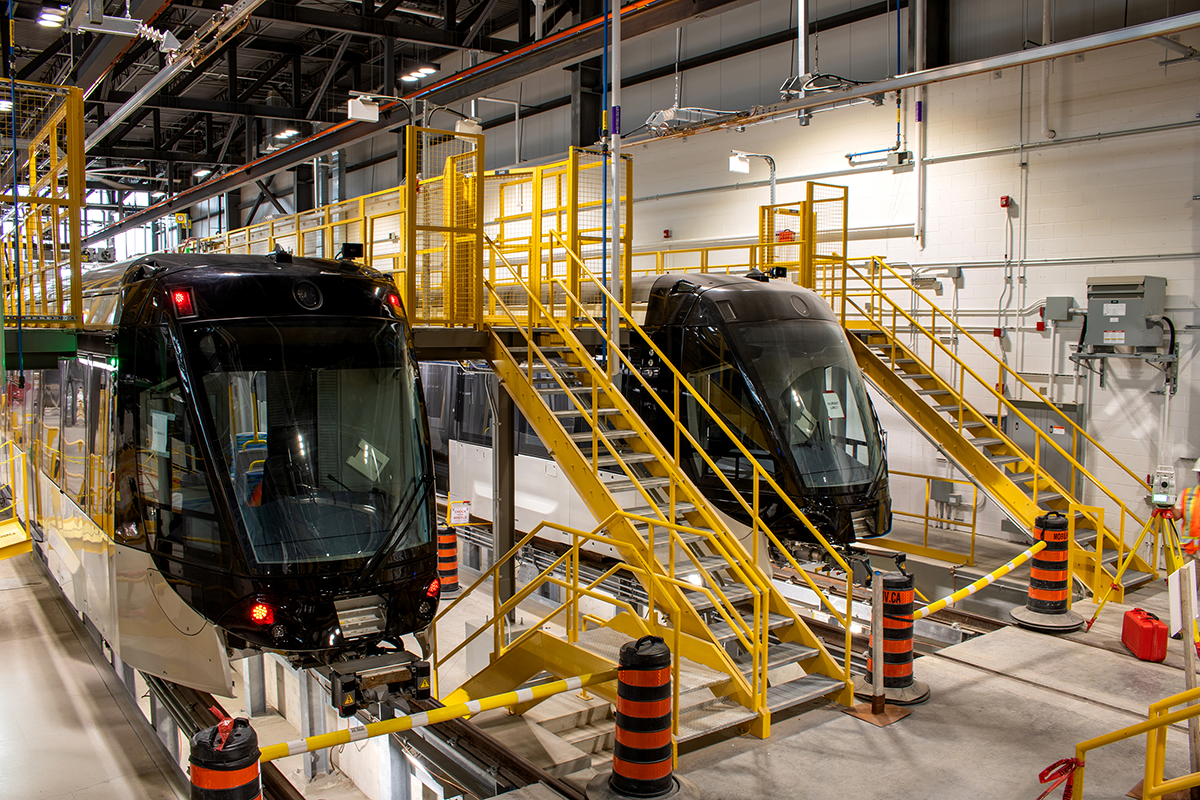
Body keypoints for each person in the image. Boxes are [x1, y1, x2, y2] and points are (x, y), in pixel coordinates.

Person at [1168, 459, 1200, 558]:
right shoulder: (1187, 494)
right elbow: (1176, 516)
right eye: (1199, 474)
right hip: (1192, 553)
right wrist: (1169, 505)